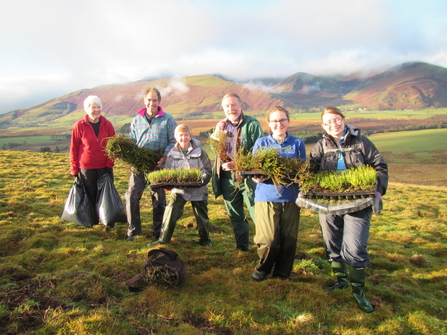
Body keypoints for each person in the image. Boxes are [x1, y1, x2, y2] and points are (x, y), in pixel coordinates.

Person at [309, 107, 388, 313]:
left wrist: (378, 190)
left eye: (336, 120)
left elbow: (379, 166)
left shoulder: (362, 141)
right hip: (328, 205)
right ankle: (341, 280)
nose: (333, 124)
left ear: (344, 120)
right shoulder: (321, 145)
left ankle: (358, 292)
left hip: (358, 203)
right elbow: (311, 172)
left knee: (355, 248)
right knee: (332, 243)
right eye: (328, 122)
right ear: (323, 126)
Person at [251, 106, 306, 281]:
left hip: (291, 197)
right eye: (274, 121)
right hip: (267, 197)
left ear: (288, 121)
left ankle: (283, 273)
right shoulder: (262, 143)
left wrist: (302, 181)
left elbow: (303, 170)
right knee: (268, 239)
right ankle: (263, 269)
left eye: (282, 120)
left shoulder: (297, 143)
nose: (279, 124)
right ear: (269, 123)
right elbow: (254, 171)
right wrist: (256, 178)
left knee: (289, 239)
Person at [211, 93, 263, 251]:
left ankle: (265, 248)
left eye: (233, 105)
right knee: (235, 216)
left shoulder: (252, 124)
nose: (230, 109)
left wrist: (239, 164)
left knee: (257, 214)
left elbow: (259, 151)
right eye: (227, 106)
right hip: (228, 178)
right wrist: (218, 134)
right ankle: (242, 249)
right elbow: (215, 148)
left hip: (248, 177)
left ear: (241, 106)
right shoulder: (221, 126)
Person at [124, 87, 177, 241]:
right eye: (149, 100)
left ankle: (158, 232)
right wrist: (130, 154)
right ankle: (133, 231)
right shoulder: (137, 119)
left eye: (154, 100)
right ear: (144, 101)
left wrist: (164, 156)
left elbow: (173, 140)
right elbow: (133, 139)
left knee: (159, 198)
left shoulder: (168, 119)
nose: (151, 103)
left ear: (159, 102)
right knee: (132, 195)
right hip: (139, 164)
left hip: (158, 164)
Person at [148, 124, 212, 247]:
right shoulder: (172, 154)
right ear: (176, 137)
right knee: (170, 210)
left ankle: (205, 241)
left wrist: (200, 182)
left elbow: (207, 171)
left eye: (186, 135)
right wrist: (168, 185)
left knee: (201, 216)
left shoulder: (201, 151)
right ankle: (163, 239)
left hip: (198, 190)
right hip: (180, 190)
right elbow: (169, 172)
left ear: (190, 136)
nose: (183, 138)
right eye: (180, 135)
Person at [69, 95, 116, 225]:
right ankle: (92, 221)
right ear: (86, 109)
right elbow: (74, 148)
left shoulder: (108, 125)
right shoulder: (79, 125)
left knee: (106, 196)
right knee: (90, 196)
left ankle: (108, 220)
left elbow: (114, 147)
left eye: (98, 107)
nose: (96, 110)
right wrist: (74, 168)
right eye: (93, 107)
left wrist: (109, 164)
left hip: (104, 167)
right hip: (86, 167)